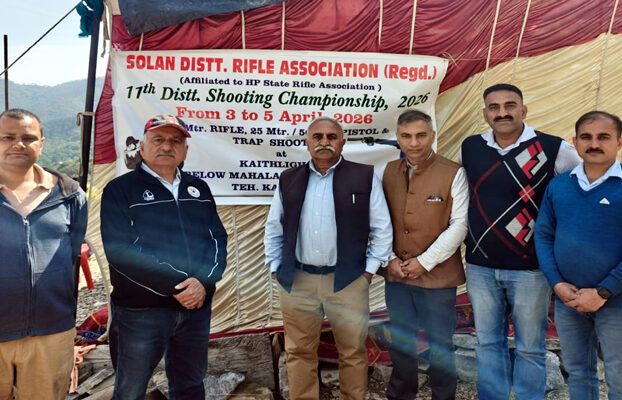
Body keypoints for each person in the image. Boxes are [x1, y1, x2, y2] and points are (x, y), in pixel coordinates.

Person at [460, 83, 581, 399]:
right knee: (488, 343)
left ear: (523, 110)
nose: (502, 113)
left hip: (531, 269)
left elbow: (584, 186)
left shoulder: (554, 148)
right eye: (494, 107)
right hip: (480, 266)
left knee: (530, 347)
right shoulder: (470, 147)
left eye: (510, 105)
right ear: (485, 113)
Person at [264, 117, 393, 400]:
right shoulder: (289, 178)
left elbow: (381, 228)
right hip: (298, 281)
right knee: (299, 351)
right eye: (318, 137)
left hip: (348, 281)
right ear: (307, 142)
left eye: (332, 137)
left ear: (342, 143)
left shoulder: (364, 176)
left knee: (353, 352)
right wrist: (275, 267)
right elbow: (274, 226)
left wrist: (368, 273)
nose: (325, 142)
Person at [101, 114, 227, 399]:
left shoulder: (198, 188)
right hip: (141, 312)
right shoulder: (120, 190)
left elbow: (217, 240)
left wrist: (204, 283)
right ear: (142, 147)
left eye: (175, 141)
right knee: (130, 391)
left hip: (195, 309)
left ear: (185, 150)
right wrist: (178, 286)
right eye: (158, 139)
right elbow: (122, 251)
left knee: (190, 386)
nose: (167, 146)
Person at [0, 108, 88, 399]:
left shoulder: (69, 194)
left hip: (51, 332)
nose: (18, 144)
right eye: (8, 137)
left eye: (28, 138)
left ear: (41, 144)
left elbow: (73, 253)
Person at [381, 109, 468, 400]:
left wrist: (424, 262)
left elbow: (460, 224)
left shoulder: (453, 172)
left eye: (421, 135)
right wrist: (389, 259)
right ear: (398, 138)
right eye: (406, 136)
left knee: (440, 344)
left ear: (432, 135)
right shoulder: (387, 171)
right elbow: (378, 221)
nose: (414, 142)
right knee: (401, 342)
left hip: (438, 277)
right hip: (397, 274)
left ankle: (443, 396)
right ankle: (401, 395)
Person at [535, 111, 622, 400]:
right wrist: (557, 284)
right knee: (578, 372)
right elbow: (543, 235)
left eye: (603, 137)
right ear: (575, 142)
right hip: (568, 300)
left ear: (619, 142)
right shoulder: (559, 185)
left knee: (619, 375)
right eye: (586, 137)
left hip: (616, 301)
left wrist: (604, 291)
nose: (594, 144)